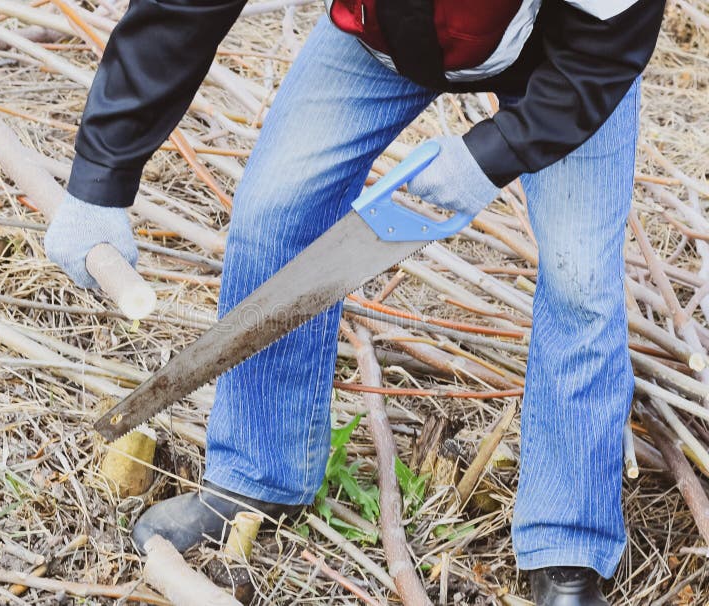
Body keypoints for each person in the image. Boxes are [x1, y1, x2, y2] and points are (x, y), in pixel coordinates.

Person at [44, 1, 666, 604]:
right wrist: (101, 174)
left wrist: (494, 153)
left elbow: (608, 44)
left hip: (569, 53)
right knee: (276, 211)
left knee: (580, 281)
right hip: (383, 35)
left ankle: (569, 540)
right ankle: (259, 476)